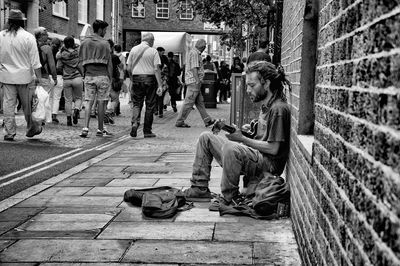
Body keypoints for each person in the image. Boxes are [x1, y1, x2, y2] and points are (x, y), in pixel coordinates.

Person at [183, 61, 291, 206]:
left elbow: (273, 149)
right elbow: (260, 136)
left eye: (252, 85)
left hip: (268, 164)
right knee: (206, 138)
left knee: (230, 148)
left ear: (266, 84)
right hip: (256, 155)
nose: (247, 90)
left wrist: (241, 140)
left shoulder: (278, 109)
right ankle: (199, 188)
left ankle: (230, 197)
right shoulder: (266, 105)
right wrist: (236, 131)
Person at [0, 9, 43, 140]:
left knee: (8, 105)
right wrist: (39, 78)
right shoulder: (28, 37)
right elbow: (35, 61)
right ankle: (31, 128)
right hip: (25, 77)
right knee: (27, 106)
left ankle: (9, 132)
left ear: (9, 21)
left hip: (6, 76)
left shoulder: (1, 36)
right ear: (22, 22)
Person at [78, 19, 113, 137]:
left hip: (89, 76)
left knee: (88, 101)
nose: (105, 32)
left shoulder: (85, 42)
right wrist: (110, 78)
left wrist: (84, 74)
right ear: (100, 29)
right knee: (101, 103)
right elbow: (109, 64)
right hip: (103, 76)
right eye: (105, 30)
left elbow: (80, 62)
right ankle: (100, 129)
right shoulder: (105, 43)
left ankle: (85, 128)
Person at [127, 32, 163, 138]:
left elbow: (128, 68)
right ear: (150, 40)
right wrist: (160, 85)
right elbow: (156, 69)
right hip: (150, 79)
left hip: (137, 78)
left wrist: (132, 79)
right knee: (150, 105)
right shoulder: (153, 51)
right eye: (153, 41)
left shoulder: (133, 49)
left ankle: (134, 123)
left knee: (137, 103)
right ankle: (147, 131)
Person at [175, 39, 215, 128]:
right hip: (194, 82)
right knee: (188, 102)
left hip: (194, 82)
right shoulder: (195, 53)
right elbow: (194, 68)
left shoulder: (193, 52)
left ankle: (207, 120)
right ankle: (180, 121)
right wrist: (197, 80)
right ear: (203, 47)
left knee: (199, 102)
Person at [56, 36, 83, 126]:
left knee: (68, 100)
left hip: (67, 79)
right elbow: (81, 65)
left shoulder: (62, 54)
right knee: (78, 98)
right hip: (77, 78)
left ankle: (68, 119)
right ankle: (76, 110)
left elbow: (58, 67)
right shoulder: (78, 53)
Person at [34, 27, 59, 124]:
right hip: (43, 76)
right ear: (40, 36)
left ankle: (35, 117)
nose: (48, 36)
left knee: (35, 98)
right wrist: (55, 77)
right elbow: (52, 65)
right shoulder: (47, 48)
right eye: (46, 34)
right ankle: (41, 118)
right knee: (44, 98)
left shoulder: (31, 45)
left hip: (31, 76)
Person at [155, 47, 169, 118]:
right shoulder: (165, 66)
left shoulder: (155, 66)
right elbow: (167, 73)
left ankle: (156, 110)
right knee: (161, 97)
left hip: (155, 81)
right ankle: (160, 112)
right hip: (162, 82)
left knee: (155, 96)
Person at [113, 44, 126, 116]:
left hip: (112, 75)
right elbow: (124, 68)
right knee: (117, 93)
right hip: (120, 76)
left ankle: (111, 109)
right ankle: (116, 110)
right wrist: (124, 76)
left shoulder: (111, 55)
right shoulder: (122, 57)